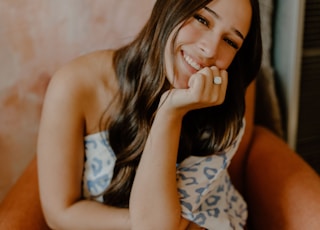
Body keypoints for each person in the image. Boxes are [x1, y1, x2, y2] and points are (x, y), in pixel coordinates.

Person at [37, 0, 262, 229]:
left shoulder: (224, 110)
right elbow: (60, 213)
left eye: (230, 41)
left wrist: (170, 114)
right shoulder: (75, 84)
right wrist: (140, 221)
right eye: (202, 19)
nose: (210, 50)